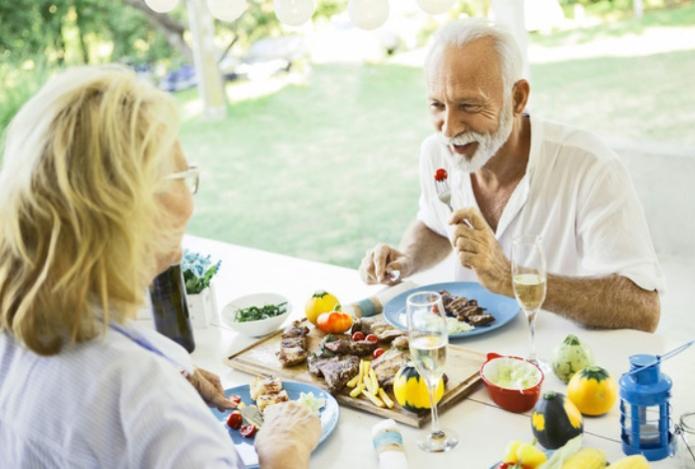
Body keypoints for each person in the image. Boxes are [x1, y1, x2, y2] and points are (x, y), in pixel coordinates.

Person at [0, 65, 320, 468]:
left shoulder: (19, 336)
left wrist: (169, 367)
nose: (190, 195)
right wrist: (284, 449)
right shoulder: (146, 397)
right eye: (184, 174)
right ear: (131, 207)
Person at [359, 18, 663, 333]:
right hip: (468, 359)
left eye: (469, 105)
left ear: (517, 99)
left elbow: (643, 307)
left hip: (556, 363)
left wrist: (511, 277)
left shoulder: (590, 166)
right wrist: (406, 259)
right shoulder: (436, 152)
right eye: (437, 105)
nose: (448, 129)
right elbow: (436, 225)